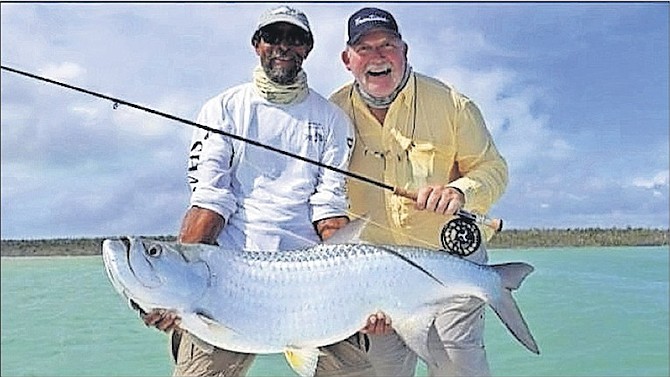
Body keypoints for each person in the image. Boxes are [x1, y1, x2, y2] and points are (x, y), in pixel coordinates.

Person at [142, 6, 375, 377]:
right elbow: (210, 201)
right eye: (273, 37)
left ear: (308, 49)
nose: (283, 46)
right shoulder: (222, 109)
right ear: (257, 45)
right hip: (230, 276)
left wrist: (355, 288)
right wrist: (171, 286)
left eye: (295, 38)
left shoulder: (333, 120)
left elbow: (328, 208)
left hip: (313, 278)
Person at [330, 7, 509, 377]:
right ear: (348, 60)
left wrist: (460, 192)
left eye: (387, 45)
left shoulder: (452, 104)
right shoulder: (331, 114)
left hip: (449, 266)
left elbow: (493, 169)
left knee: (458, 368)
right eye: (364, 48)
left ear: (404, 51)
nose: (377, 56)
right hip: (373, 279)